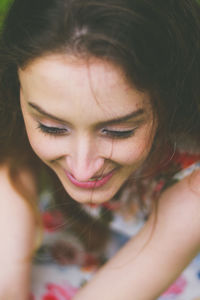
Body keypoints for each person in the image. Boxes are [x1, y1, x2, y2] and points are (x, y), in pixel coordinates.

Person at [0, 0, 200, 299]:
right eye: (52, 127)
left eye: (118, 131)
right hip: (83, 234)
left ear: (170, 97)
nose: (83, 169)